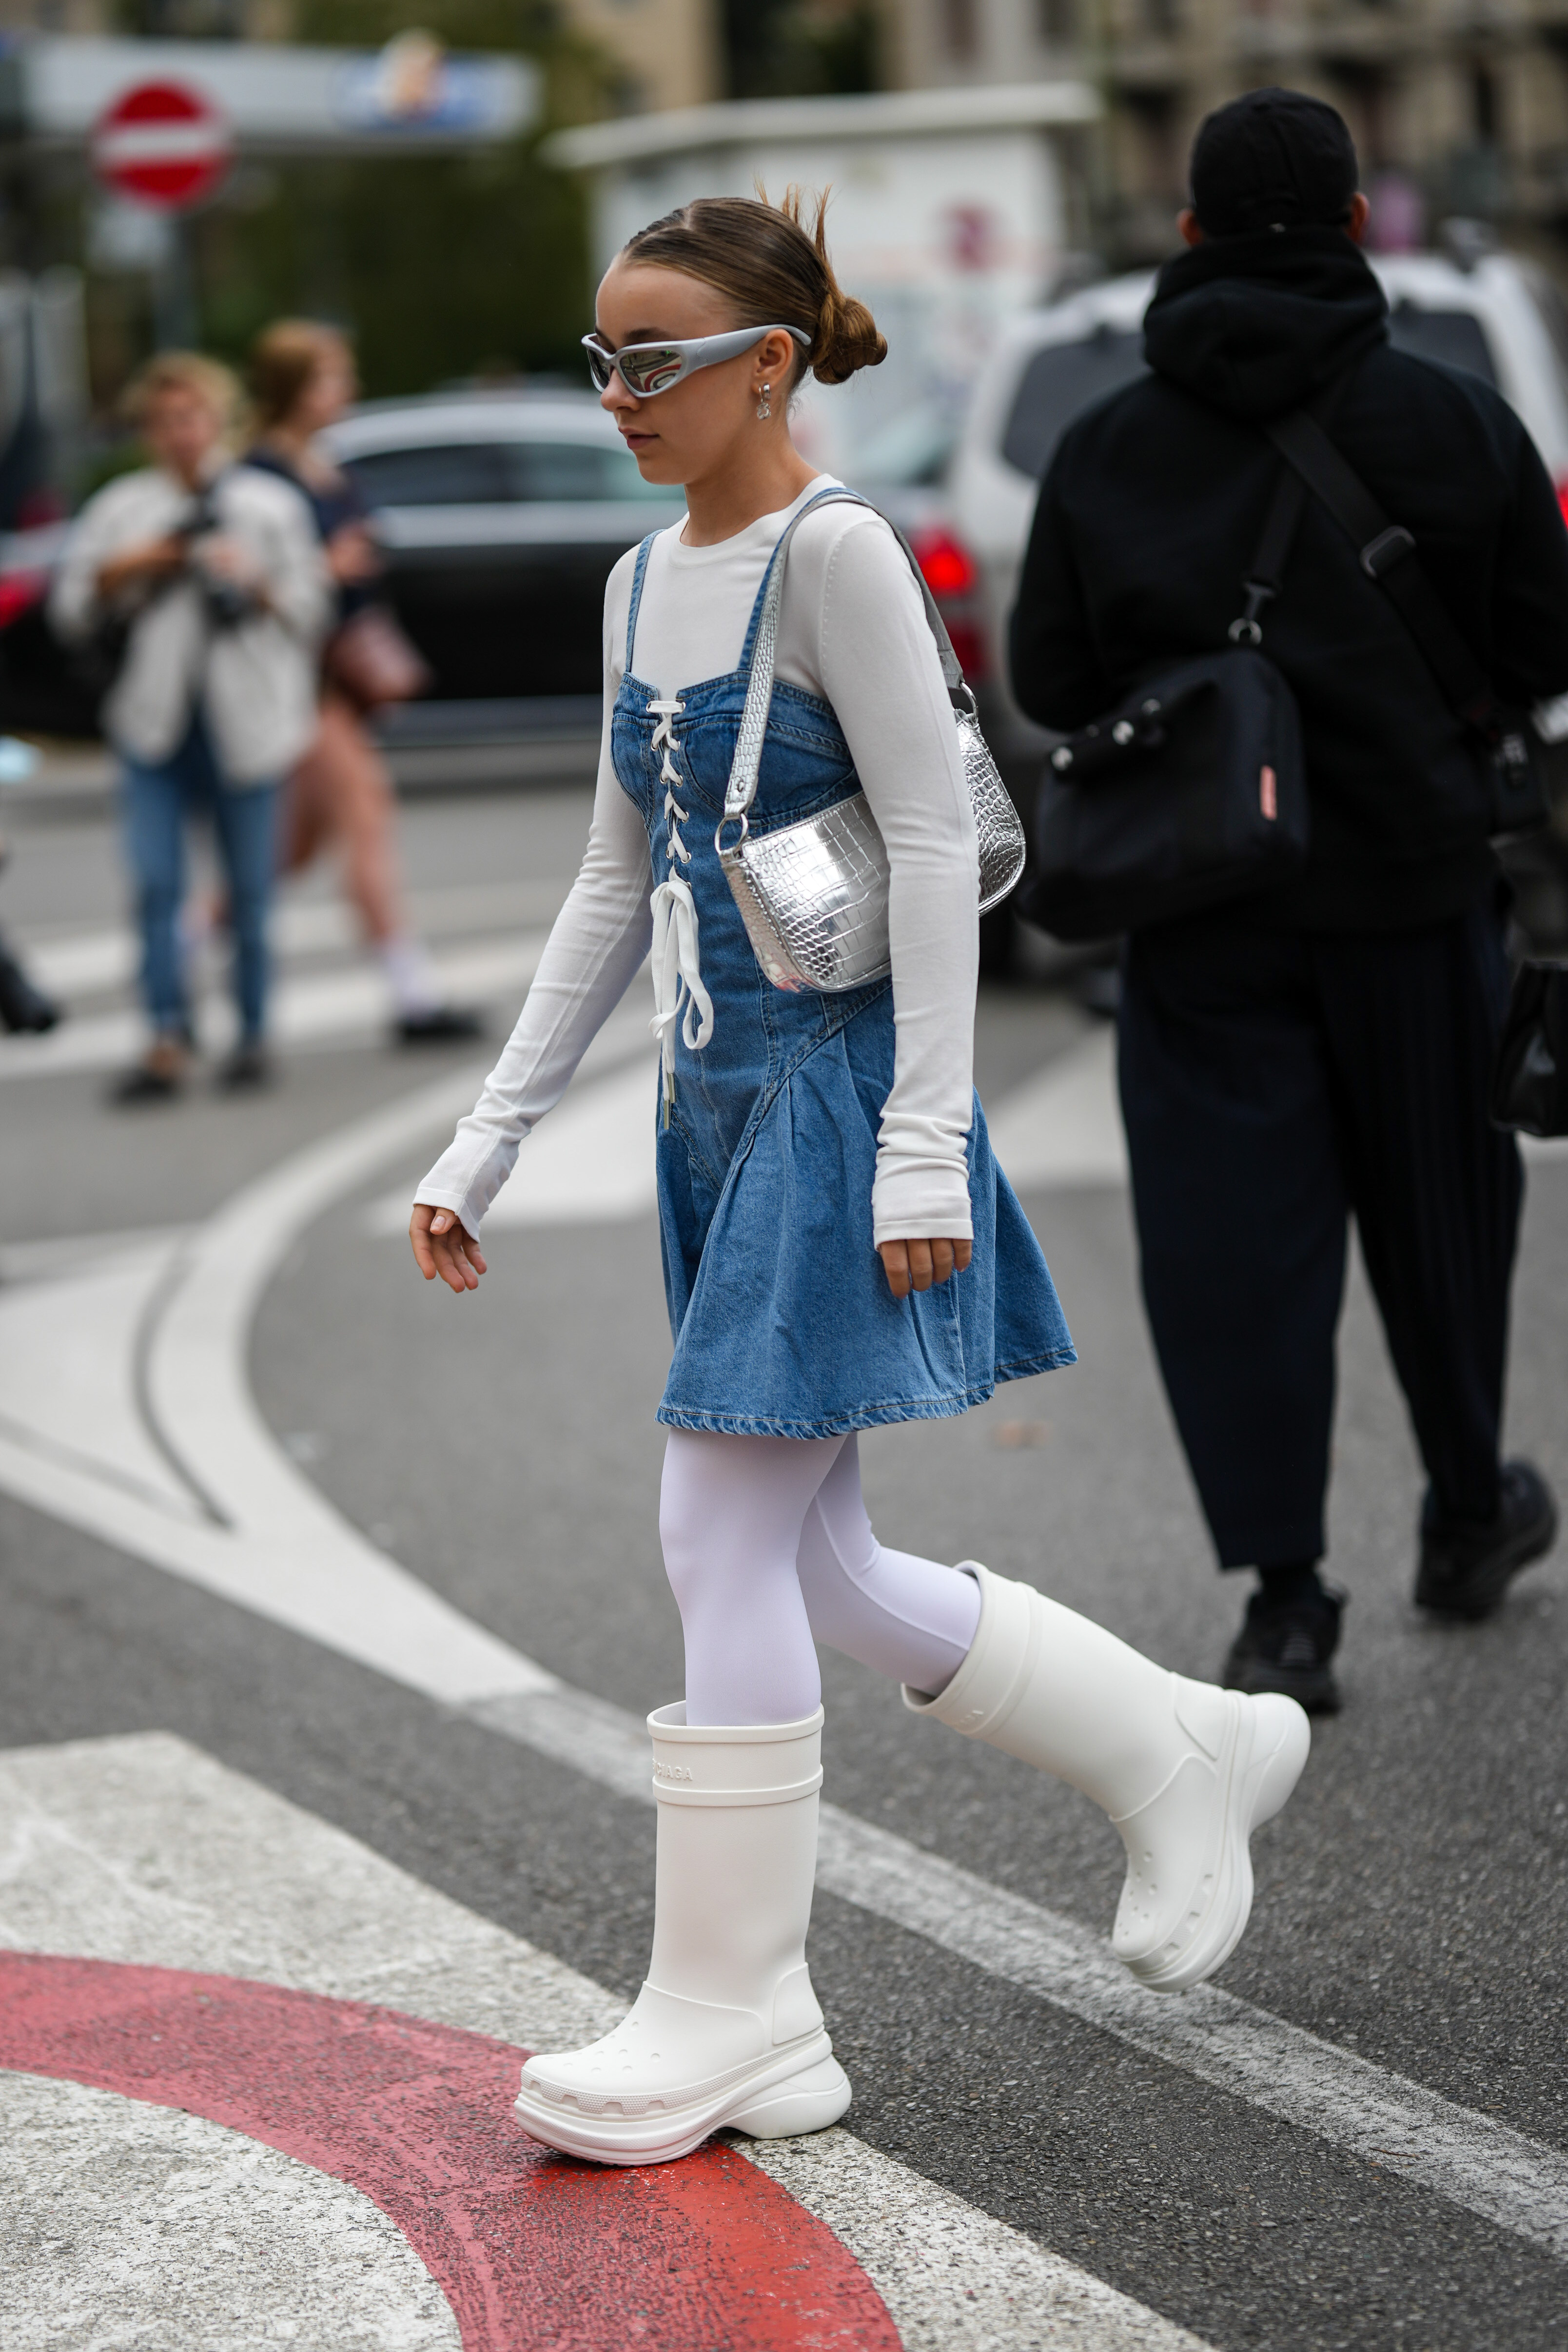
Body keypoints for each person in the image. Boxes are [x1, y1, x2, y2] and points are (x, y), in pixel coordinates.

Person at [408, 192, 1311, 2169]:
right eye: (601, 359)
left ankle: (739, 2015)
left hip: (830, 1115)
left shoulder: (841, 559)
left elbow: (931, 848)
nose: (619, 394)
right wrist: (485, 1137)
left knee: (715, 1538)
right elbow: (605, 881)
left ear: (768, 362)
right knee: (814, 1558)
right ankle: (1183, 1749)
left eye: (653, 359)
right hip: (706, 1126)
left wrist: (922, 1138)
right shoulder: (647, 582)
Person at [1009, 89, 1568, 1715]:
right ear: (1351, 228)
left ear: (1183, 236)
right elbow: (1543, 649)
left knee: (1228, 1251)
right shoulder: (1451, 416)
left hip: (1200, 917)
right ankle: (1467, 1511)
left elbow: (1047, 672)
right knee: (1443, 1219)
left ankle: (1283, 1603)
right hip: (1410, 900)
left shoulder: (1105, 443)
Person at [51, 353, 329, 1099]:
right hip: (153, 723)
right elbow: (70, 610)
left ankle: (252, 1034)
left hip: (250, 723)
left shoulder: (267, 505)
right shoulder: (122, 509)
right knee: (153, 882)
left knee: (250, 890)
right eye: (166, 420)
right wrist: (132, 565)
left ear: (220, 421)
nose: (181, 433)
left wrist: (254, 580)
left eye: (194, 417)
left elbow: (312, 611)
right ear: (147, 430)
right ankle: (166, 1036)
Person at [245, 321, 483, 1046]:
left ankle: (176, 953)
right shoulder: (259, 478)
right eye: (329, 377)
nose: (344, 389)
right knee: (366, 816)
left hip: (338, 678)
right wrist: (326, 566)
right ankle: (413, 998)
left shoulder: (325, 465)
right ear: (292, 388)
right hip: (296, 680)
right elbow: (248, 580)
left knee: (283, 853)